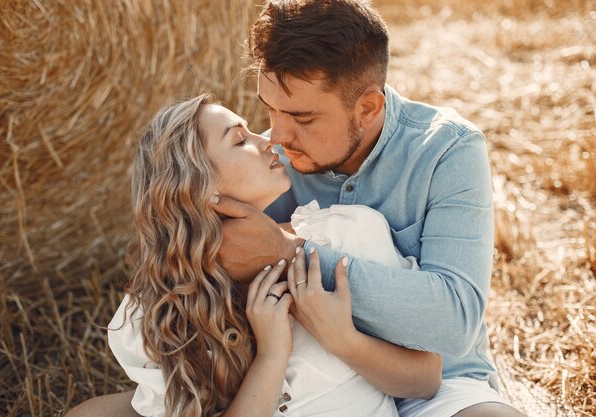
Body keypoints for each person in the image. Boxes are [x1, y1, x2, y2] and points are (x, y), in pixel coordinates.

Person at [211, 1, 526, 417]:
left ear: (368, 108)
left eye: (303, 118)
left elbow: (455, 323)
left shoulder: (448, 149)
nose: (278, 135)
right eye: (271, 109)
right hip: (308, 382)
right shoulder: (267, 162)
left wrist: (289, 251)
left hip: (436, 388)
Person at [67, 94, 442, 417]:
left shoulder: (347, 233)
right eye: (239, 140)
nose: (268, 141)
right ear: (198, 186)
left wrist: (340, 336)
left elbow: (424, 381)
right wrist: (271, 356)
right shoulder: (155, 312)